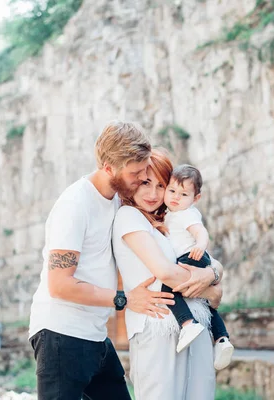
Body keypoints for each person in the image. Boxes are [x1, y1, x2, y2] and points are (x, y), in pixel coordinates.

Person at [28, 121, 187, 400]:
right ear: (109, 168)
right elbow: (60, 285)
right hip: (60, 335)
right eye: (135, 173)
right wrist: (125, 299)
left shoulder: (117, 199)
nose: (141, 179)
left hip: (96, 336)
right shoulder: (75, 204)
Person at [113, 149, 224, 400]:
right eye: (145, 183)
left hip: (196, 326)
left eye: (161, 185)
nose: (153, 194)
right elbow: (165, 272)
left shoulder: (170, 222)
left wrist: (213, 273)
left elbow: (208, 262)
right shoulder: (128, 216)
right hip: (156, 326)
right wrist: (213, 288)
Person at [161, 164, 234, 369]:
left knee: (168, 288)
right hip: (197, 259)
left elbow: (201, 232)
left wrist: (201, 246)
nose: (176, 197)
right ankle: (221, 339)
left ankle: (187, 324)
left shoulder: (186, 214)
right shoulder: (173, 212)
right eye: (172, 190)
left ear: (195, 199)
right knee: (203, 301)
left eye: (183, 194)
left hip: (192, 257)